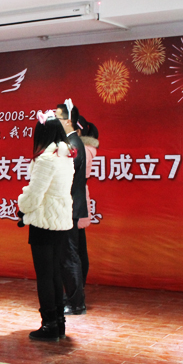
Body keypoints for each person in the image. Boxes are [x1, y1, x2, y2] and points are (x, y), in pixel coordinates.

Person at [17, 111, 75, 341]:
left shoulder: (45, 159)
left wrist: (22, 206)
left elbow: (34, 195)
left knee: (44, 276)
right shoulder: (66, 156)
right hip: (61, 221)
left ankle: (49, 325)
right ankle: (59, 323)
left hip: (43, 222)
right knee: (55, 274)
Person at [56, 99, 88, 316]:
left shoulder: (72, 145)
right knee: (71, 254)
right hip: (70, 208)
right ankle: (72, 298)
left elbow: (63, 177)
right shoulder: (72, 142)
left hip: (69, 208)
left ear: (68, 121)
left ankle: (76, 303)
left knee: (70, 256)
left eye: (57, 118)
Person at [75, 116, 99, 286]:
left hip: (75, 202)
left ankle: (76, 291)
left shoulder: (83, 150)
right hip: (74, 202)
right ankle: (75, 290)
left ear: (77, 131)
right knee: (76, 247)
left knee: (76, 249)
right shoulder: (79, 148)